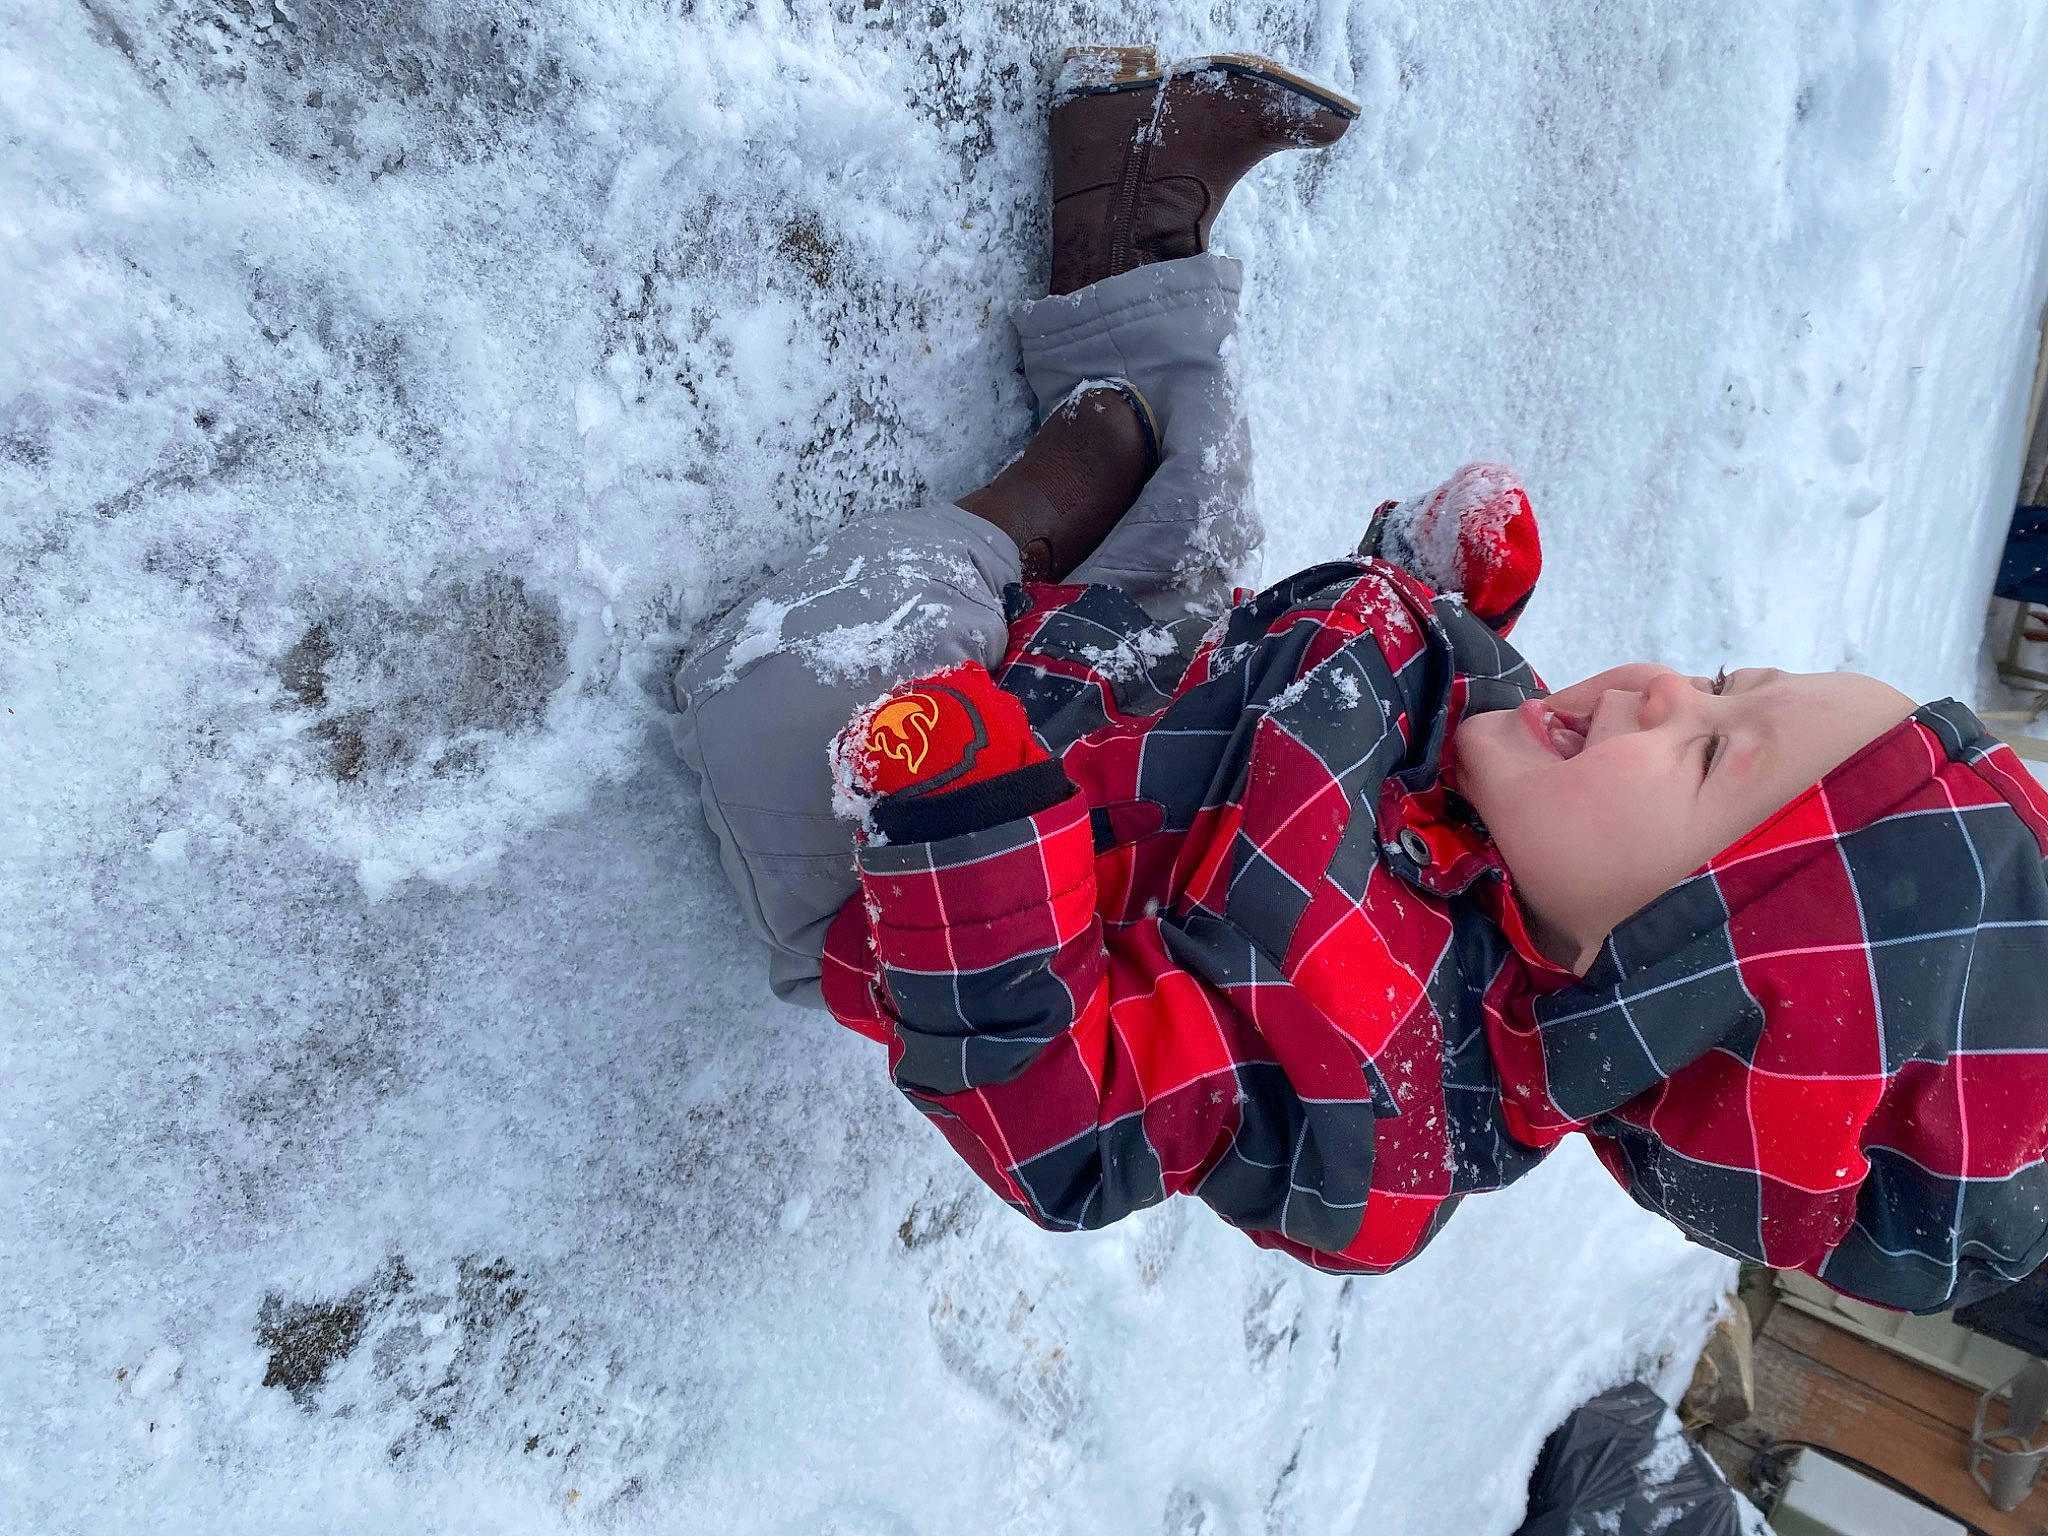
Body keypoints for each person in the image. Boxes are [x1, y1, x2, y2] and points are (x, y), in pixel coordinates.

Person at [673, 48, 2048, 1315]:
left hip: (924, 877)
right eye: (1722, 682)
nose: (1656, 694)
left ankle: (1051, 489)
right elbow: (1389, 665)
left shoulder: (1375, 1116)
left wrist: (971, 836)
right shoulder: (1530, 794)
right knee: (1199, 489)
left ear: (1652, 985)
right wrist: (1439, 582)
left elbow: (1072, 1118)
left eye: (1702, 756)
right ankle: (1131, 207)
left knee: (808, 668)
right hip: (1128, 681)